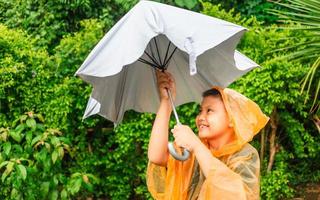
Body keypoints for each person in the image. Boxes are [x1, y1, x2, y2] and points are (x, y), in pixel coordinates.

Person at [146, 71, 269, 200]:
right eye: (200, 111)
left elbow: (234, 195)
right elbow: (156, 156)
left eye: (209, 110)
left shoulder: (244, 155)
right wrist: (166, 102)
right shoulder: (192, 151)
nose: (200, 117)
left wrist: (197, 146)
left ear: (232, 119)